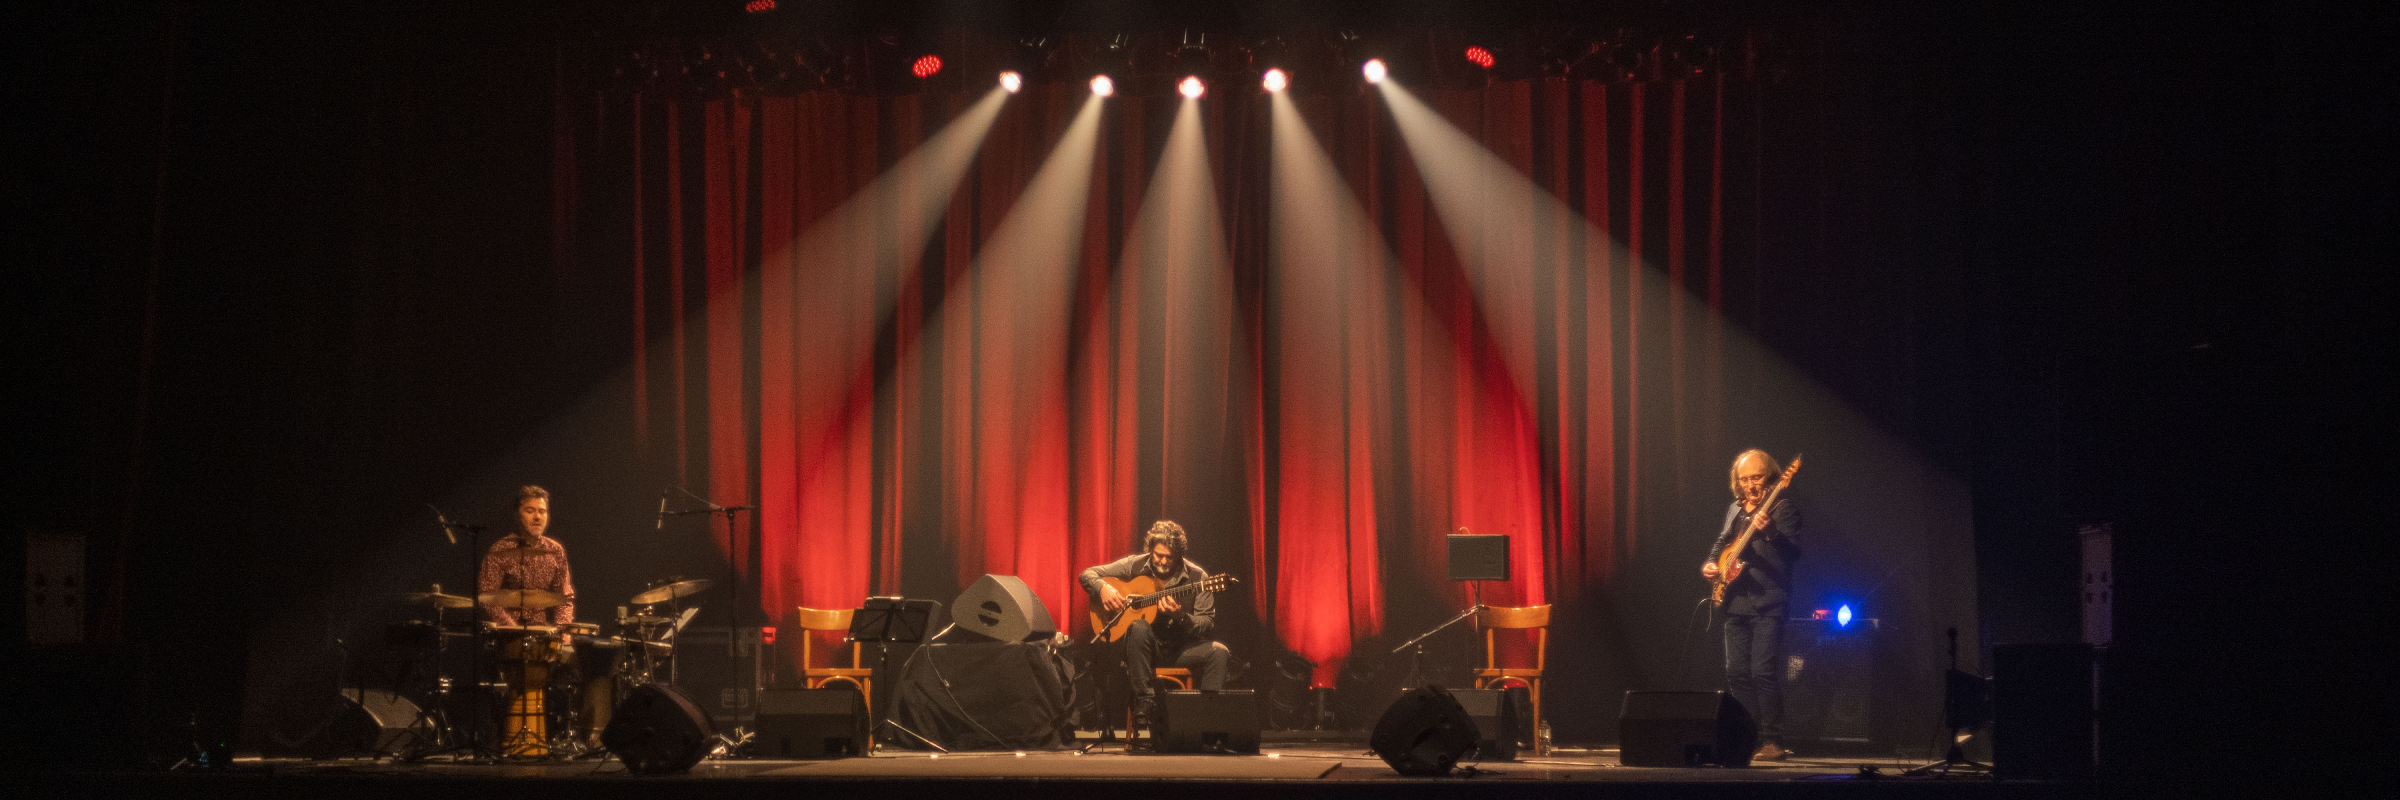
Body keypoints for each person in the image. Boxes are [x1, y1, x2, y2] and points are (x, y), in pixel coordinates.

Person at [1700, 449, 1802, 762]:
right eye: (1744, 479)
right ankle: (1746, 738)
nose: (1750, 484)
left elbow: (1793, 554)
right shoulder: (1735, 510)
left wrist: (1771, 531)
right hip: (1735, 602)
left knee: (1762, 671)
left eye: (1756, 477)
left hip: (1769, 602)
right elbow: (1721, 543)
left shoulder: (1783, 508)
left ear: (1772, 478)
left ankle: (1773, 741)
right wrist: (1711, 564)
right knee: (1736, 673)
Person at [1079, 520, 1228, 725]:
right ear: (1150, 550)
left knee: (1219, 651)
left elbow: (1206, 623)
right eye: (1158, 555)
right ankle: (1145, 702)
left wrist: (1182, 618)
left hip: (1181, 650)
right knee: (1139, 627)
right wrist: (1103, 589)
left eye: (1170, 557)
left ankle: (1208, 721)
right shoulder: (1135, 565)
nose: (1164, 561)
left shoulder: (1199, 577)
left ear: (1179, 555)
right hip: (1142, 652)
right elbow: (1087, 574)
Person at [479, 485, 576, 627]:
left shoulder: (555, 551)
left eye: (542, 512)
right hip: (507, 632)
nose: (537, 517)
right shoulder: (500, 550)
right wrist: (512, 628)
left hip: (541, 632)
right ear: (518, 514)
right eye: (530, 511)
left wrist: (563, 631)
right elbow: (487, 596)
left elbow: (564, 598)